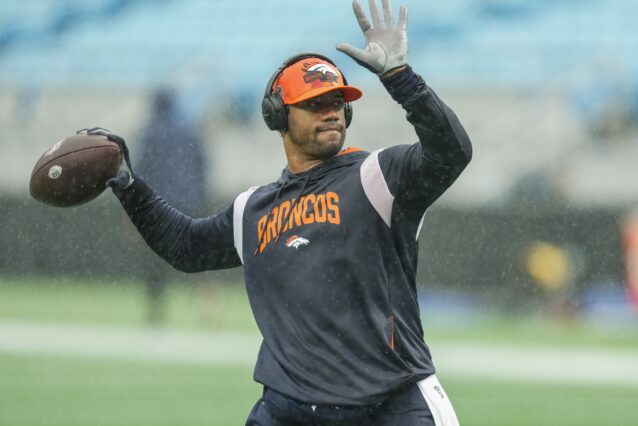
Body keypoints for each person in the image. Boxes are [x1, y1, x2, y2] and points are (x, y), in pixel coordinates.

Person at [82, 0, 472, 424]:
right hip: (290, 406)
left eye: (338, 101)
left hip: (390, 402)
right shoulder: (253, 208)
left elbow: (451, 152)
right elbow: (186, 247)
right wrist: (127, 184)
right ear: (277, 115)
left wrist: (401, 78)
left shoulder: (376, 175)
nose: (332, 112)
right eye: (315, 103)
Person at [134, 88, 208, 325]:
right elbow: (202, 164)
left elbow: (141, 172)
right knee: (199, 256)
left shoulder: (150, 132)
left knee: (155, 261)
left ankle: (156, 313)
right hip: (190, 201)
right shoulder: (189, 130)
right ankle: (205, 311)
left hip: (160, 205)